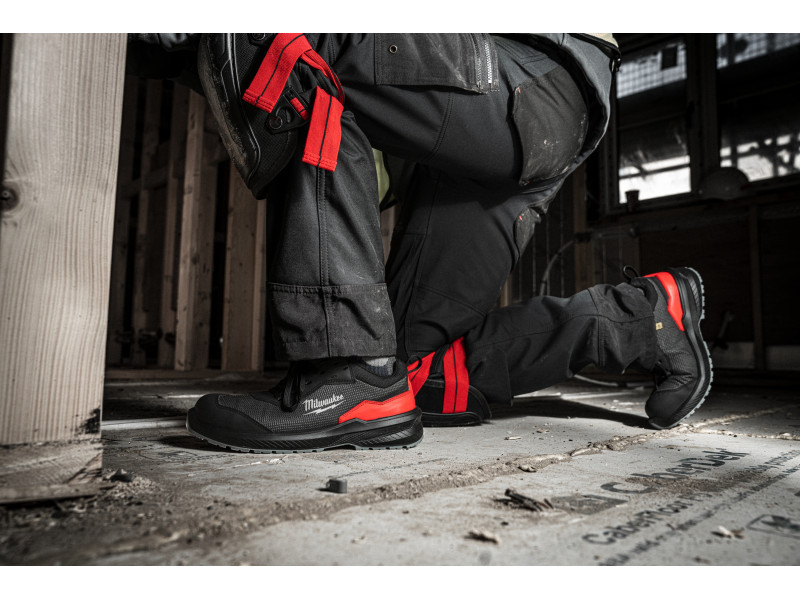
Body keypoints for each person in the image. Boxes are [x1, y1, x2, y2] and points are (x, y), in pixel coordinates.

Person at [127, 34, 712, 454]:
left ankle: (347, 368)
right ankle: (635, 321)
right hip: (517, 117)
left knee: (279, 42)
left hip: (524, 72)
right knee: (405, 373)